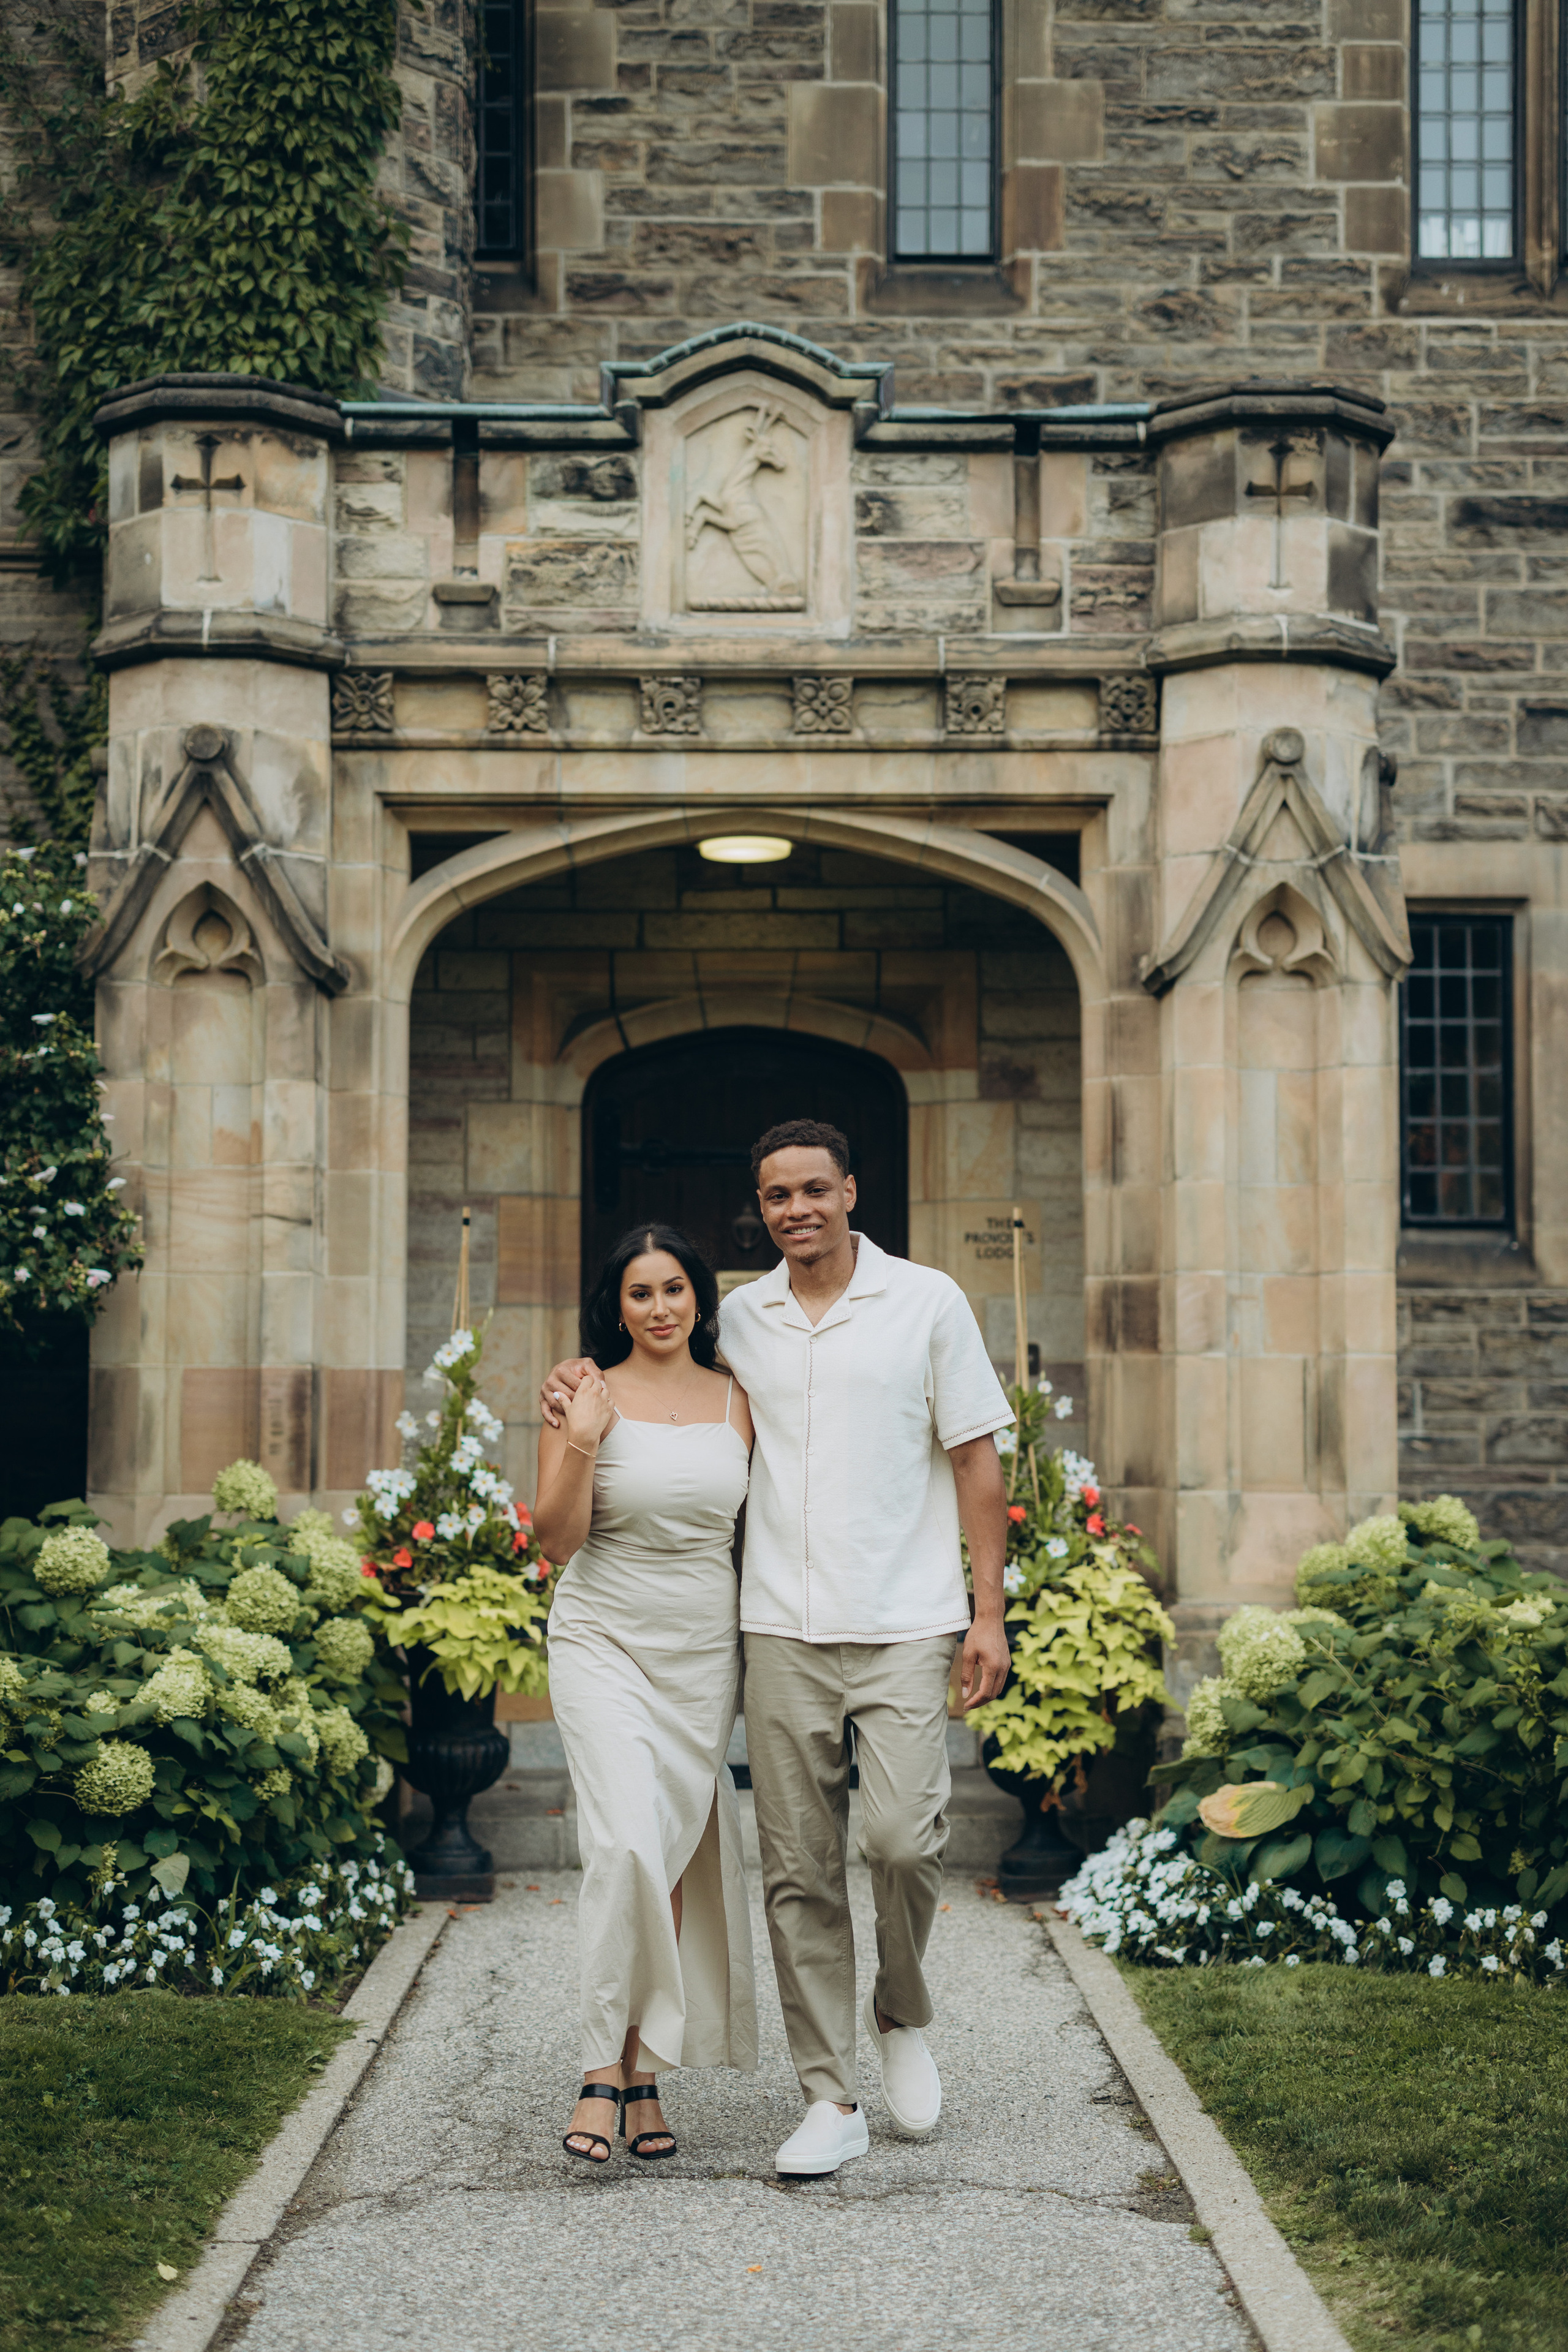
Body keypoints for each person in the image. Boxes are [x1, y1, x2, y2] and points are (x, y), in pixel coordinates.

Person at [541, 1120, 1011, 2178]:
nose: (795, 1209)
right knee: (797, 1874)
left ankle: (901, 2012)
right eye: (775, 1196)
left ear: (851, 1191)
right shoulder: (740, 1325)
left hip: (901, 1619)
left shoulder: (929, 1302)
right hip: (775, 1630)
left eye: (813, 1189)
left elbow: (978, 1462)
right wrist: (573, 1397)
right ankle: (828, 2097)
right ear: (758, 1210)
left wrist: (988, 1613)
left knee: (900, 1841)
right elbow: (640, 1398)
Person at [533, 1222, 758, 2167]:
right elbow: (554, 1540)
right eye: (640, 1293)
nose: (660, 1308)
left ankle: (645, 2068)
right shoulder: (583, 1394)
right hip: (602, 1636)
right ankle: (597, 2070)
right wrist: (581, 1441)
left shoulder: (742, 1396)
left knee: (662, 1860)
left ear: (700, 1298)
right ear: (614, 1307)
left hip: (703, 1648)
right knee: (623, 1842)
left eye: (674, 1289)